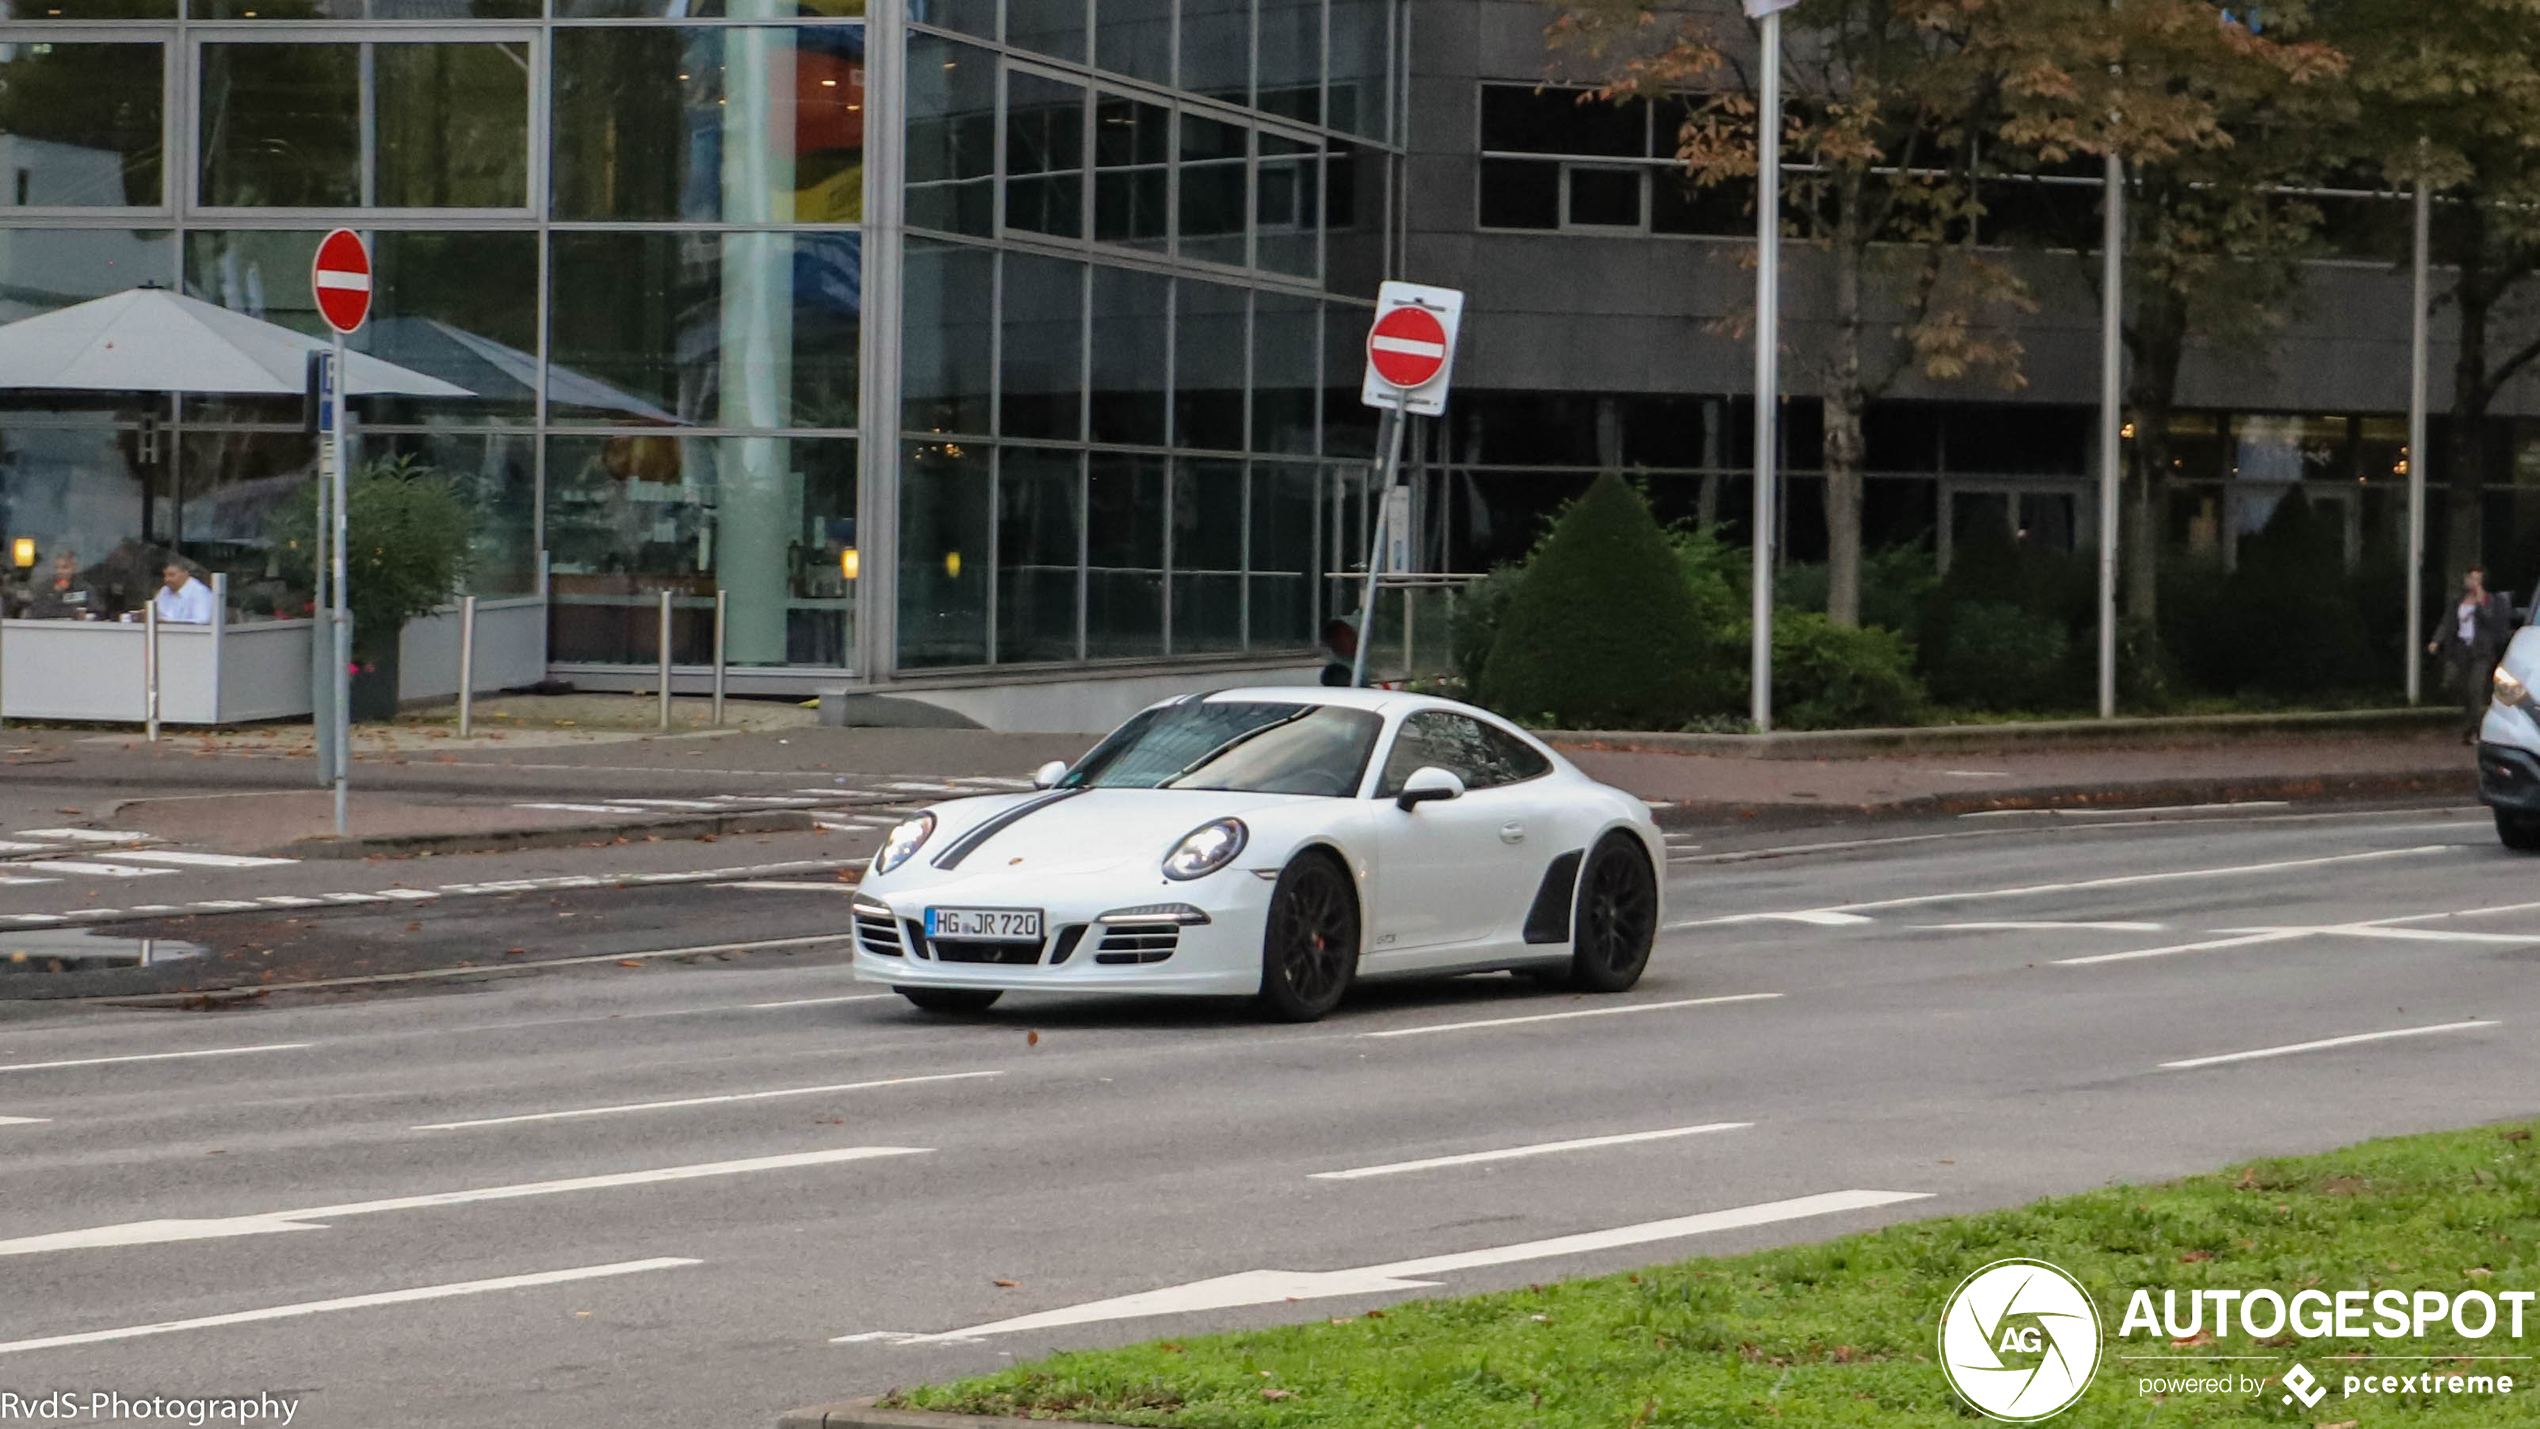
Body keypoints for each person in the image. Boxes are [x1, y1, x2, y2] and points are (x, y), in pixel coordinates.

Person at [2429, 566, 2514, 743]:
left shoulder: (2488, 601)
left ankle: (2475, 729)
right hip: (2461, 650)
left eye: (2477, 579)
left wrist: (2479, 602)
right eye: (2471, 578)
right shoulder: (2458, 601)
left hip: (2481, 652)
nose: (2473, 582)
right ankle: (2470, 722)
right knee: (2461, 688)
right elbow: (2448, 622)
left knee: (2475, 688)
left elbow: (2490, 620)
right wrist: (2437, 640)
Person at [23, 549, 97, 620]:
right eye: (57, 568)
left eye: (65, 567)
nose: (59, 571)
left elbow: (97, 612)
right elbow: (35, 612)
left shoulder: (84, 588)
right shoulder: (45, 588)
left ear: (74, 568)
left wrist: (83, 616)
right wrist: (56, 594)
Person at [1318, 617, 1359, 687]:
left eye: (1351, 633)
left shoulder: (1372, 648)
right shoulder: (1337, 670)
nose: (1354, 638)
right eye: (1347, 635)